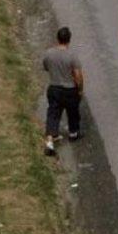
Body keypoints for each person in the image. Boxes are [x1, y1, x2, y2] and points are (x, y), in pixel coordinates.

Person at [42, 27, 83, 157]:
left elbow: (45, 67)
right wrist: (80, 89)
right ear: (69, 40)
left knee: (53, 114)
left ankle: (50, 140)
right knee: (73, 112)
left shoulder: (49, 53)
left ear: (57, 38)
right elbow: (77, 75)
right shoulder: (72, 56)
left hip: (54, 88)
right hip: (70, 90)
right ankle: (73, 133)